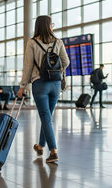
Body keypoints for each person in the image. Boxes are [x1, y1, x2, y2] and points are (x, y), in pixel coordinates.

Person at [17, 15, 69, 163]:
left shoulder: (32, 42)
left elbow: (27, 67)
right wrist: (56, 70)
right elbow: (66, 61)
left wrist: (22, 86)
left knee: (46, 117)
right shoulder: (58, 42)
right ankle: (40, 146)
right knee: (47, 117)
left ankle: (53, 152)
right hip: (55, 84)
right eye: (51, 24)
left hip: (40, 83)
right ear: (48, 26)